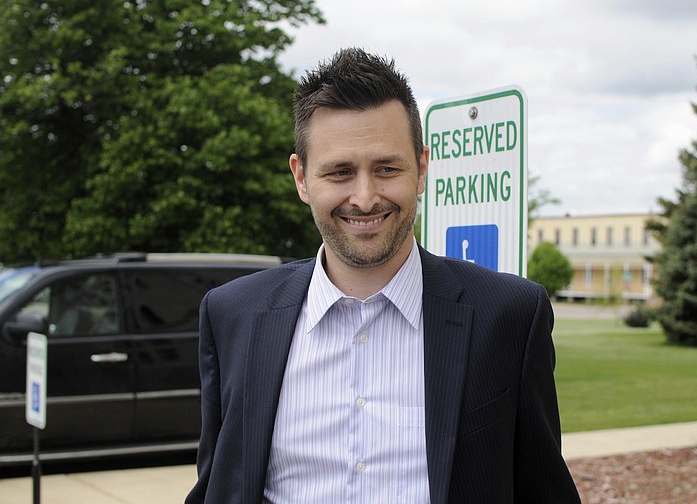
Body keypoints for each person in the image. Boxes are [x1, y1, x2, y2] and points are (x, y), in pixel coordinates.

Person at [186, 48, 580, 503]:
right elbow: (215, 486)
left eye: (387, 168)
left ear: (422, 168)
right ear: (301, 178)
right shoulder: (232, 313)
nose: (366, 197)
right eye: (339, 172)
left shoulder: (510, 316)